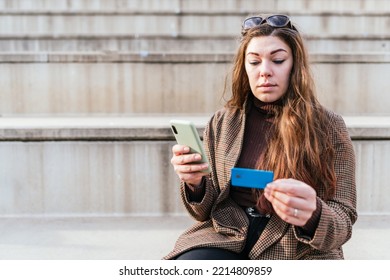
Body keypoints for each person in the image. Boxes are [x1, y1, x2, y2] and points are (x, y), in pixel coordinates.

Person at [165, 14, 357, 260]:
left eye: (277, 60)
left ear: (295, 66)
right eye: (254, 62)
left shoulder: (329, 126)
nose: (265, 71)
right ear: (244, 68)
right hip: (229, 235)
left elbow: (344, 219)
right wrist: (195, 184)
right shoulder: (223, 121)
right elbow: (205, 211)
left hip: (298, 247)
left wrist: (314, 214)